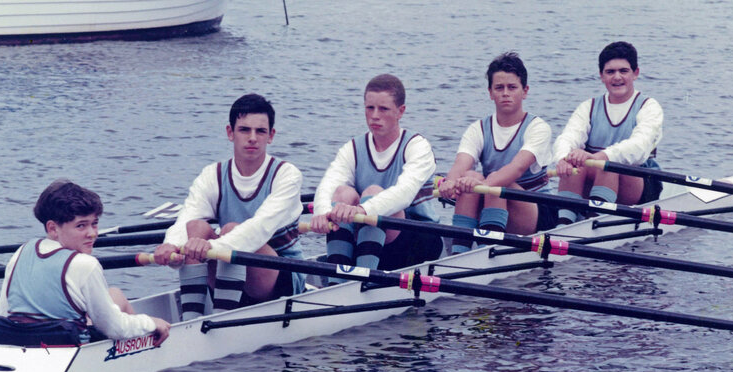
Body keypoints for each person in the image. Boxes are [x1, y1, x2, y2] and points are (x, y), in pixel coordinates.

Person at [153, 93, 305, 320]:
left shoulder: (287, 175)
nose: (252, 138)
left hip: (279, 278)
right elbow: (187, 218)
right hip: (230, 266)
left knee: (232, 229)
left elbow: (258, 229)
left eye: (260, 131)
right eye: (244, 130)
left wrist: (212, 247)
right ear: (230, 133)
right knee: (195, 228)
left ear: (270, 136)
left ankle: (222, 319)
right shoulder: (211, 175)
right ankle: (191, 321)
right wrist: (172, 246)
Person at [0, 180, 171, 346]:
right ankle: (148, 347)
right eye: (81, 225)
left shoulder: (23, 251)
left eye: (94, 223)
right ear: (52, 228)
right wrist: (152, 322)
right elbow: (114, 328)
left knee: (114, 294)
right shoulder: (85, 264)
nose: (92, 233)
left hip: (23, 341)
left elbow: (1, 311)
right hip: (66, 346)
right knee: (118, 298)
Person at [309, 74, 441, 283]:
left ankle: (361, 283)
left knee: (372, 193)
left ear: (401, 111)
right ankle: (337, 282)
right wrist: (322, 213)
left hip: (419, 239)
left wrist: (362, 210)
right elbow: (328, 184)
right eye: (369, 108)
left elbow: (404, 193)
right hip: (371, 236)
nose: (374, 116)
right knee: (342, 193)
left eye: (383, 109)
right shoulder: (353, 148)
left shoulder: (417, 147)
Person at [437, 52, 556, 254]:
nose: (505, 93)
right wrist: (450, 183)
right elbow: (460, 164)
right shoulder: (478, 129)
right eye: (499, 88)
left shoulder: (538, 128)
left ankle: (486, 250)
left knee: (495, 181)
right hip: (495, 203)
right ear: (490, 93)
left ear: (525, 91)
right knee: (468, 176)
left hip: (537, 211)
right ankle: (459, 253)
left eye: (512, 87)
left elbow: (516, 168)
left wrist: (481, 185)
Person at [552, 41, 664, 224]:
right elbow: (567, 137)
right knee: (572, 160)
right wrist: (563, 158)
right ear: (601, 76)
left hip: (639, 184)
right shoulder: (588, 107)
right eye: (610, 72)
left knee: (608, 164)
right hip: (597, 180)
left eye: (623, 71)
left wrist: (600, 157)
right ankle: (565, 223)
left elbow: (639, 145)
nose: (617, 77)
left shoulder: (649, 107)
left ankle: (594, 219)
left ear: (635, 73)